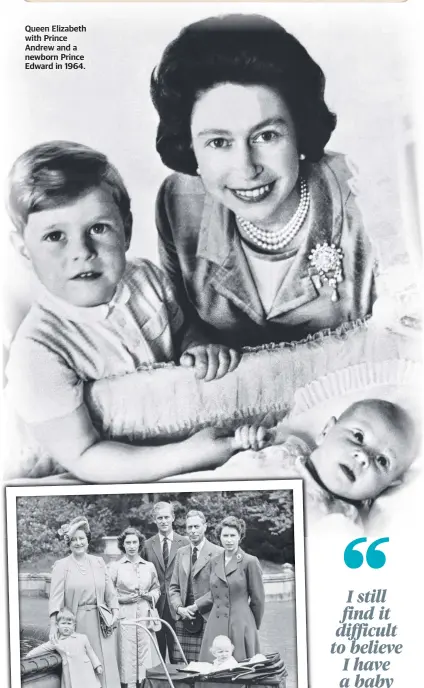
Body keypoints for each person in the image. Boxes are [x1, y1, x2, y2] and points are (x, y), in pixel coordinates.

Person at [5, 141, 241, 484]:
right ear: (23, 250)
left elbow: (185, 330)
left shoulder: (147, 279)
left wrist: (198, 347)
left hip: (179, 437)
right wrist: (190, 454)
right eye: (55, 235)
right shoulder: (38, 351)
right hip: (102, 466)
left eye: (98, 229)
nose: (82, 252)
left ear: (126, 230)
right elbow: (84, 456)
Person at [151, 14, 376, 349]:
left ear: (300, 131)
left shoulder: (364, 197)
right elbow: (179, 327)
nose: (246, 168)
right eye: (219, 142)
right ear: (190, 145)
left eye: (266, 135)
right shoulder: (179, 203)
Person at [231, 398, 418, 528]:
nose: (363, 457)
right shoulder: (284, 444)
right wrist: (234, 443)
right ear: (326, 430)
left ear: (391, 483)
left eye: (382, 461)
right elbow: (203, 454)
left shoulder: (347, 521)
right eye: (358, 436)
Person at [48, 516, 120, 688]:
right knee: (83, 667)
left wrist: (114, 610)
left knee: (101, 665)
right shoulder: (62, 566)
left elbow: (110, 591)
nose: (78, 543)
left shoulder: (98, 562)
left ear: (87, 540)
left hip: (100, 621)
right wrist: (54, 624)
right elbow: (55, 597)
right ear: (68, 544)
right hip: (76, 622)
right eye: (73, 540)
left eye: (82, 538)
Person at [109, 527, 161, 688]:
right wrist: (122, 600)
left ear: (140, 544)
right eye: (128, 542)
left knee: (143, 661)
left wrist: (150, 596)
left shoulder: (149, 566)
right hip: (125, 617)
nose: (131, 546)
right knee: (126, 659)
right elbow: (109, 592)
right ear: (123, 544)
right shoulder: (115, 567)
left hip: (145, 616)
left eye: (134, 542)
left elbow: (157, 588)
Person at [26, 608, 103, 688]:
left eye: (69, 623)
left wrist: (97, 665)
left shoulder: (82, 638)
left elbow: (91, 653)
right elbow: (42, 648)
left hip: (86, 672)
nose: (66, 626)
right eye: (63, 623)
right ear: (57, 625)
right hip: (73, 675)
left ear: (74, 625)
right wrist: (28, 655)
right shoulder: (56, 641)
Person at [200, 516, 265, 663]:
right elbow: (214, 593)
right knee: (212, 667)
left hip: (240, 623)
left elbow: (258, 599)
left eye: (233, 536)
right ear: (219, 538)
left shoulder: (250, 561)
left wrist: (253, 626)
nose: (229, 540)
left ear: (240, 537)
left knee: (239, 668)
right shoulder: (213, 562)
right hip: (215, 623)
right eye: (225, 536)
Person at [169, 510, 222, 662]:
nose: (193, 531)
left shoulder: (218, 552)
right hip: (184, 618)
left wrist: (196, 606)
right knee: (183, 667)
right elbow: (173, 587)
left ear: (205, 527)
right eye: (189, 527)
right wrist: (179, 608)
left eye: (196, 527)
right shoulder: (181, 553)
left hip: (207, 617)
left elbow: (218, 590)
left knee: (207, 665)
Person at [143, 502, 189, 663]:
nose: (163, 521)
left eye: (166, 517)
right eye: (159, 518)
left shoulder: (185, 543)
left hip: (179, 607)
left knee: (179, 656)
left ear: (173, 518)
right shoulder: (147, 545)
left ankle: (179, 687)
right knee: (157, 656)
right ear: (154, 520)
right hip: (156, 608)